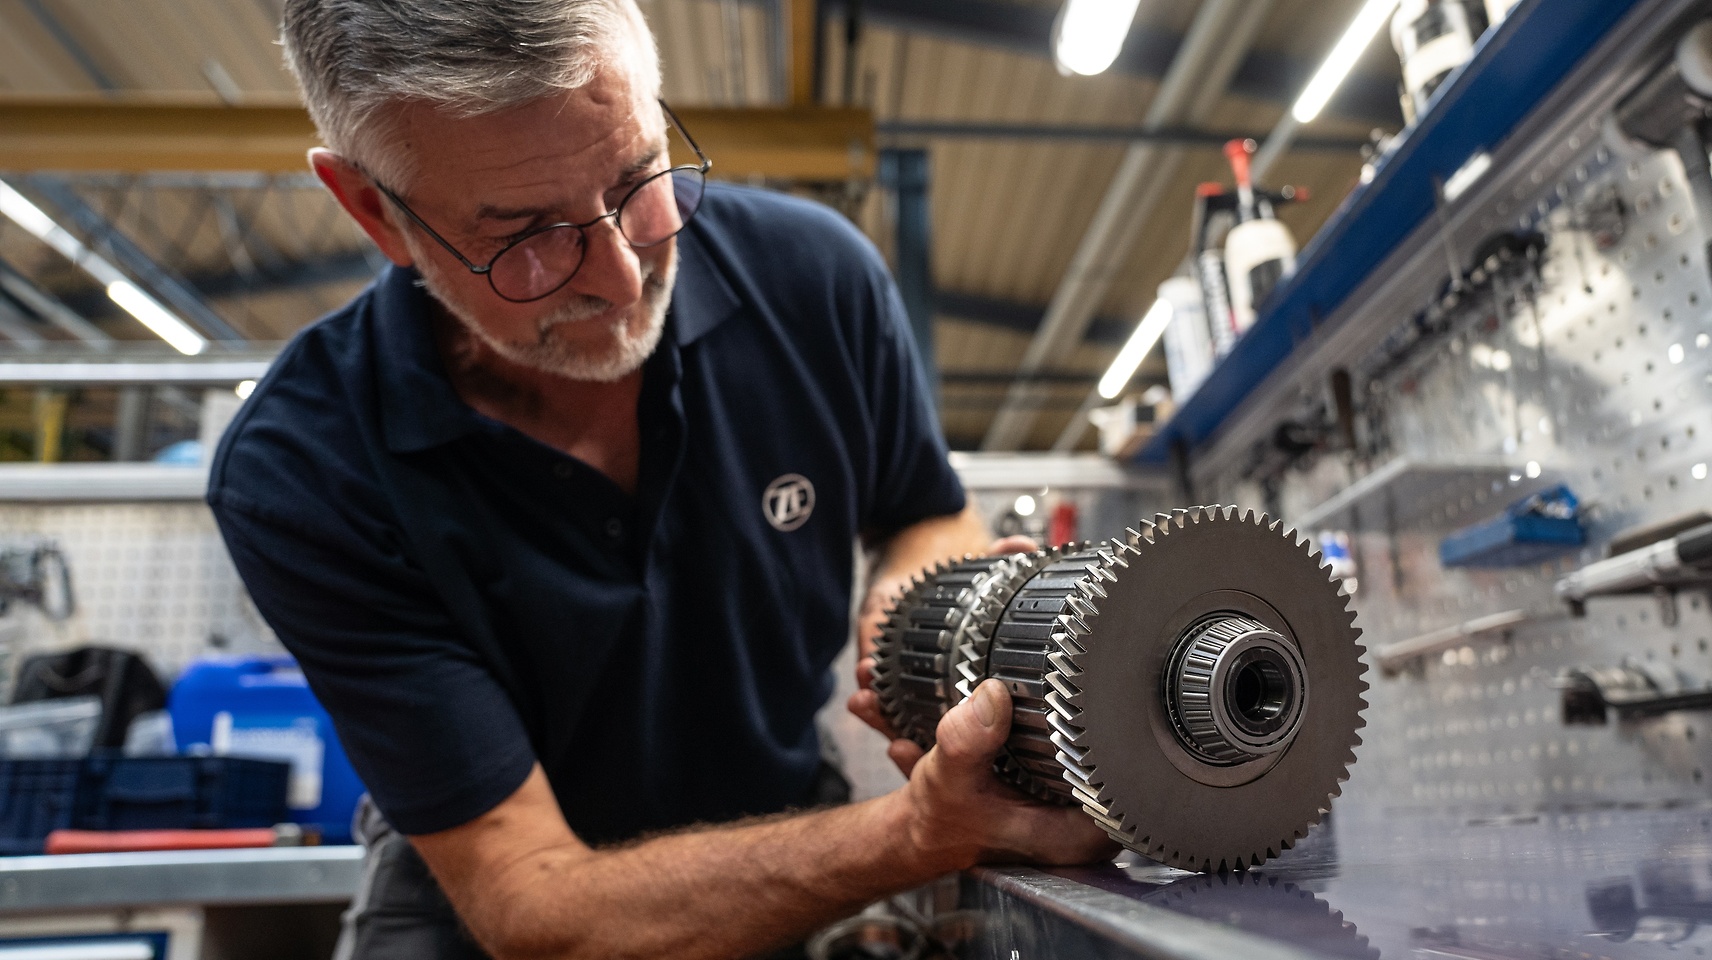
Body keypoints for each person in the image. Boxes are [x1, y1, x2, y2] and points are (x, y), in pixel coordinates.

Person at [205, 2, 1112, 957]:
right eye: (527, 238)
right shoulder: (303, 467)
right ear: (373, 211)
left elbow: (924, 510)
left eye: (639, 178)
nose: (623, 276)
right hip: (486, 915)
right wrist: (915, 834)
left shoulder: (815, 283)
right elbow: (539, 910)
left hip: (796, 835)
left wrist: (908, 609)